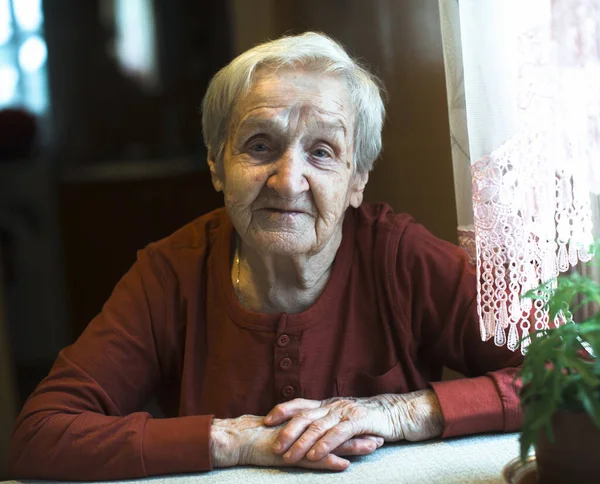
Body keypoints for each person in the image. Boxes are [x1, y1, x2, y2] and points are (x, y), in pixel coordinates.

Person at [8, 32, 523, 480]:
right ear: (216, 165)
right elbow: (41, 434)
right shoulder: (171, 274)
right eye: (259, 146)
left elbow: (569, 373)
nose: (288, 181)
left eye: (321, 151)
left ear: (357, 179)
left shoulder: (401, 257)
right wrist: (233, 441)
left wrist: (398, 412)